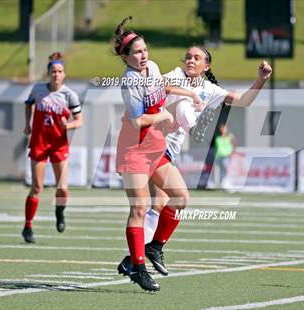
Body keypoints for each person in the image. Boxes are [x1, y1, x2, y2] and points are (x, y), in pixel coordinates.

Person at [117, 46, 272, 276]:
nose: (190, 60)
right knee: (156, 204)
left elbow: (244, 100)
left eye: (196, 58)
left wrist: (261, 79)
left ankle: (136, 258)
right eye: (188, 56)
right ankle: (140, 256)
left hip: (167, 149)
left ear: (206, 66)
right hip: (150, 143)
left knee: (161, 205)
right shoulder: (176, 75)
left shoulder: (208, 88)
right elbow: (159, 86)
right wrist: (189, 93)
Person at [113, 16, 204, 292]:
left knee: (180, 197)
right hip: (134, 151)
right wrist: (163, 114)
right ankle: (138, 267)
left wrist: (188, 92)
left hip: (154, 147)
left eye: (144, 50)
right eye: (136, 52)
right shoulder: (129, 82)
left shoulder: (151, 67)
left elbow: (162, 87)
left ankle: (154, 247)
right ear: (126, 57)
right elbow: (137, 121)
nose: (143, 55)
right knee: (139, 208)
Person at [22, 52, 83, 244]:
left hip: (58, 145)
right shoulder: (38, 90)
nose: (56, 74)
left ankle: (60, 211)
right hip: (40, 142)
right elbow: (28, 105)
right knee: (37, 186)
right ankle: (28, 226)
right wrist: (28, 124)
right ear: (49, 73)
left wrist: (68, 126)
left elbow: (79, 120)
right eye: (53, 71)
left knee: (62, 189)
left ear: (64, 74)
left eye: (60, 71)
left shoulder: (69, 95)